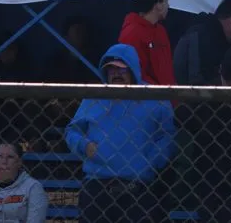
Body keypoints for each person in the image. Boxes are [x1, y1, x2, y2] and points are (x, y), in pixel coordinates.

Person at [65, 44, 175, 223]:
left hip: (137, 186)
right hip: (97, 184)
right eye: (111, 69)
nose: (116, 74)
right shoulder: (94, 97)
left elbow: (167, 136)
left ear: (133, 70)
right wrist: (85, 146)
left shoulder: (155, 98)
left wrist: (150, 162)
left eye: (121, 69)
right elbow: (72, 131)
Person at [117, 0, 175, 86]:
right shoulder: (132, 33)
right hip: (147, 95)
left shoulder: (161, 31)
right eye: (166, 1)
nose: (169, 6)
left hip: (167, 94)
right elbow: (135, 73)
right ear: (158, 5)